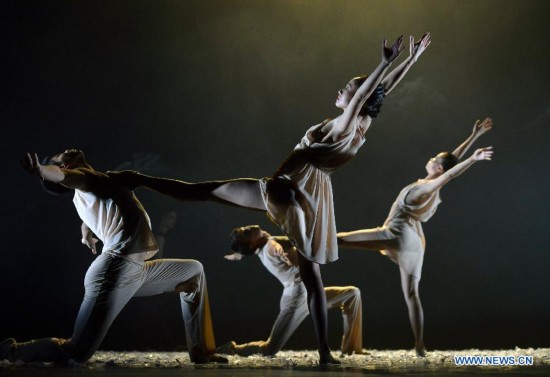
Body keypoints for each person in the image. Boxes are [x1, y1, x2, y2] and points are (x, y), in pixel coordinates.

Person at [112, 33, 431, 364]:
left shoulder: (345, 124)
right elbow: (381, 92)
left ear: (355, 101)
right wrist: (413, 58)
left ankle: (139, 180)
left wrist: (385, 61)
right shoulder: (362, 124)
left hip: (287, 188)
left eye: (346, 89)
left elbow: (368, 92)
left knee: (205, 191)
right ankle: (324, 352)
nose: (341, 91)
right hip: (311, 198)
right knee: (312, 279)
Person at [0, 150, 227, 365]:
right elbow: (60, 176)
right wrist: (41, 169)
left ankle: (202, 353)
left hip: (137, 270)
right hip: (114, 272)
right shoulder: (84, 178)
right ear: (64, 166)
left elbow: (92, 210)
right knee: (76, 352)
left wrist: (86, 232)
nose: (65, 150)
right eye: (59, 156)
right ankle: (11, 351)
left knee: (194, 272)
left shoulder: (96, 185)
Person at [337, 118, 494, 357]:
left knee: (341, 239)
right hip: (414, 241)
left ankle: (298, 247)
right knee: (411, 294)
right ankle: (420, 346)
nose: (430, 160)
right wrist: (474, 137)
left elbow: (450, 172)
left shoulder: (426, 188)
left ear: (438, 169)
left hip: (396, 233)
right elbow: (451, 162)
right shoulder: (433, 183)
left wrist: (473, 158)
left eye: (434, 160)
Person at [217, 225, 362, 356]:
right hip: (296, 298)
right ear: (252, 243)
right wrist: (278, 251)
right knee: (269, 349)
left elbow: (269, 244)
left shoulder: (261, 249)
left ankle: (352, 349)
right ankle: (232, 349)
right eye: (248, 232)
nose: (253, 227)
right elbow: (273, 246)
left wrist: (240, 253)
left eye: (248, 228)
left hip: (309, 291)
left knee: (351, 294)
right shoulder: (269, 246)